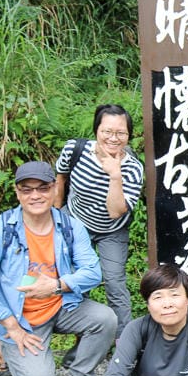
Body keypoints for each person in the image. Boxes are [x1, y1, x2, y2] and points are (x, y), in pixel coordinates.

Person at [0, 161, 117, 376]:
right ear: (17, 193)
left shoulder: (70, 227)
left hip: (61, 306)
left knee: (105, 319)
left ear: (55, 188)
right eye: (27, 189)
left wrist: (57, 286)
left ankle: (77, 374)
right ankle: (6, 352)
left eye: (43, 188)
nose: (35, 195)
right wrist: (11, 327)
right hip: (21, 318)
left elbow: (93, 272)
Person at [53, 103, 145, 340]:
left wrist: (115, 174)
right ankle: (87, 336)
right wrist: (55, 218)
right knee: (71, 277)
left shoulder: (133, 168)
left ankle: (125, 343)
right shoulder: (75, 149)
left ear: (128, 135)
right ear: (96, 130)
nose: (113, 138)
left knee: (114, 282)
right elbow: (60, 180)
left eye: (121, 133)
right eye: (107, 131)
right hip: (74, 222)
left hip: (111, 230)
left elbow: (115, 212)